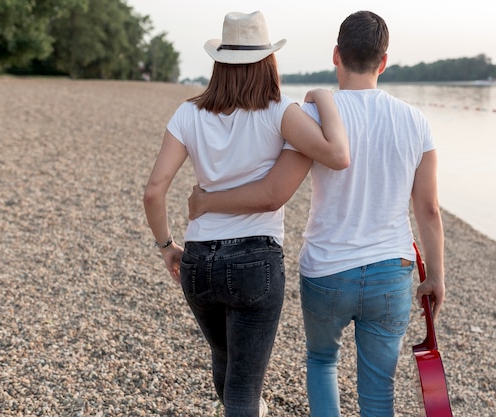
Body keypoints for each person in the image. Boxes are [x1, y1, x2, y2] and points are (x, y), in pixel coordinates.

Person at [187, 10, 445, 417]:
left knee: (323, 362)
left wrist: (205, 201)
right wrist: (436, 275)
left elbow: (276, 191)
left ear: (336, 55)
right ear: (383, 61)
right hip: (390, 268)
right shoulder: (416, 121)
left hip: (327, 268)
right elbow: (428, 209)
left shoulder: (315, 117)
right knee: (379, 390)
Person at [143, 11, 349, 417]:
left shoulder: (189, 113)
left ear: (220, 63)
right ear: (268, 61)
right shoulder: (281, 112)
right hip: (255, 260)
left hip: (198, 260)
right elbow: (338, 155)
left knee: (225, 360)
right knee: (242, 389)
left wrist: (167, 245)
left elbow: (153, 191)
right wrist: (323, 96)